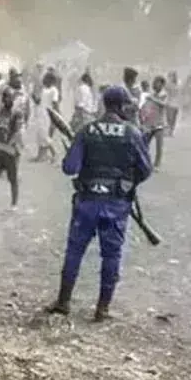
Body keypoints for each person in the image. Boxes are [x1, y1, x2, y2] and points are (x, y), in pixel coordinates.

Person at [46, 85, 152, 321]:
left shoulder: (87, 131)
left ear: (104, 104)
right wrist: (126, 180)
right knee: (111, 255)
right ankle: (102, 308)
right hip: (115, 205)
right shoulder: (132, 133)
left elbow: (69, 168)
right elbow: (145, 170)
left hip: (86, 202)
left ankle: (63, 302)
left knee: (74, 251)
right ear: (123, 106)